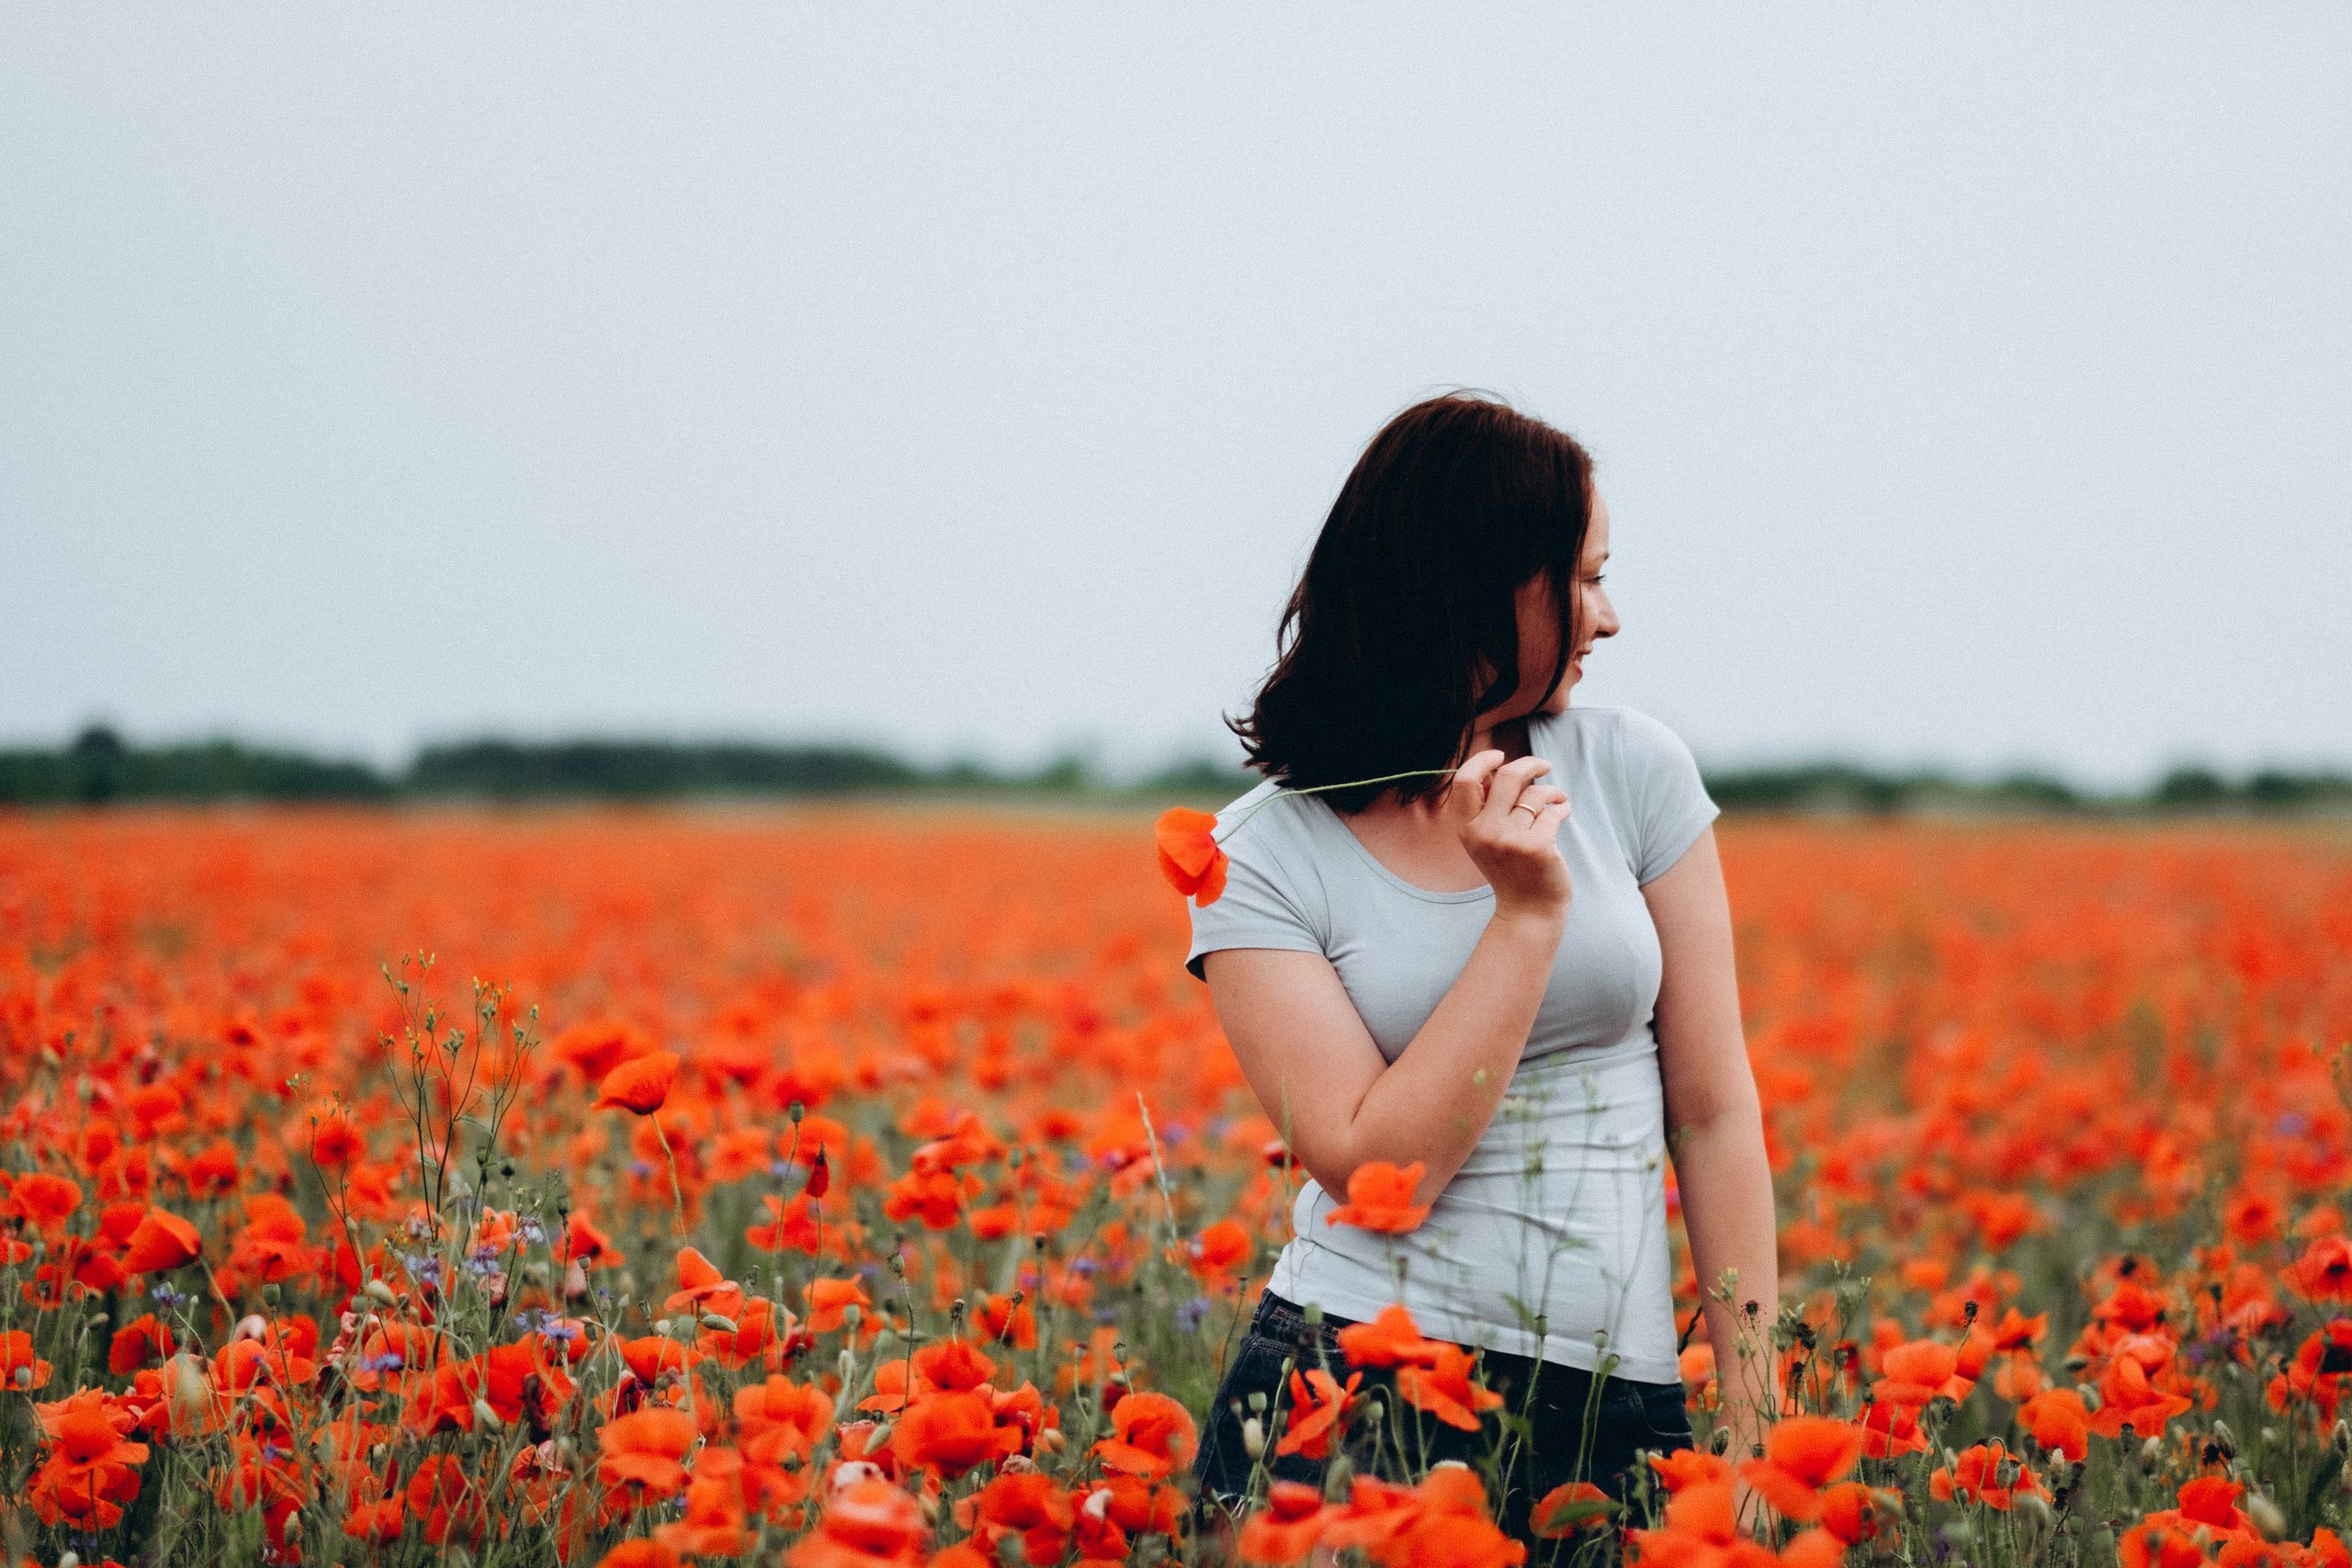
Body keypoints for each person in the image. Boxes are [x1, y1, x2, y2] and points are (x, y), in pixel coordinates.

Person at [1184, 393, 1778, 1540]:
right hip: (1356, 1391)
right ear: (1481, 587)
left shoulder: (1630, 772)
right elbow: (1375, 1174)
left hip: (1619, 1402)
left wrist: (1751, 1441)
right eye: (1586, 578)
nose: (1609, 618)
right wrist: (1522, 919)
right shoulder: (1260, 855)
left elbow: (1711, 1112)